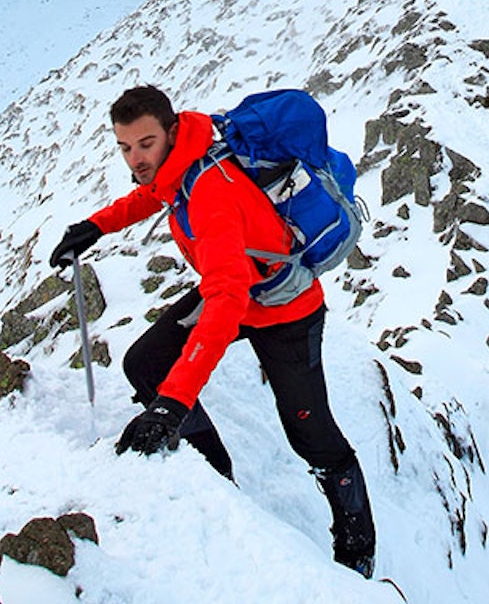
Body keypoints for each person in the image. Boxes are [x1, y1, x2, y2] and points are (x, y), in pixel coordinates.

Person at [49, 84, 376, 577]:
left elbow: (224, 302)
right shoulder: (182, 158)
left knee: (310, 434)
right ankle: (213, 476)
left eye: (144, 144)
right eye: (125, 147)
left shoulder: (210, 192)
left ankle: (357, 549)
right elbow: (153, 193)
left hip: (285, 309)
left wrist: (173, 403)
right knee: (145, 364)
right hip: (238, 287)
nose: (135, 158)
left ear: (170, 131)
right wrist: (95, 226)